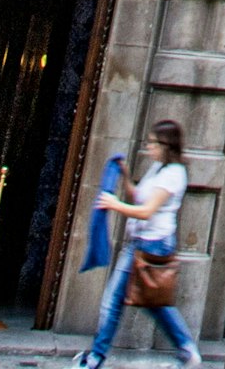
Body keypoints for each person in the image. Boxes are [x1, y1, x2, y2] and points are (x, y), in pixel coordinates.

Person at [80, 117, 196, 369]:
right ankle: (187, 350)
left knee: (115, 302)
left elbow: (147, 211)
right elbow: (138, 196)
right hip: (144, 242)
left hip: (152, 245)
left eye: (153, 143)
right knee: (155, 303)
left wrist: (113, 205)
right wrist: (125, 176)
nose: (149, 147)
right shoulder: (158, 169)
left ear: (167, 145)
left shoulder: (174, 174)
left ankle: (95, 359)